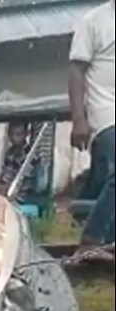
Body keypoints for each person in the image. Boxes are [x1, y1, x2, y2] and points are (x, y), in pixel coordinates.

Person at [67, 0, 114, 248]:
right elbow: (76, 70)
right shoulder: (94, 21)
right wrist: (78, 119)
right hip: (106, 115)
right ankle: (91, 239)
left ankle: (109, 241)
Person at [0, 121, 42, 200]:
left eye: (18, 135)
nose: (14, 138)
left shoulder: (30, 155)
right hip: (7, 191)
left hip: (21, 197)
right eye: (11, 134)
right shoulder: (10, 153)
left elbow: (23, 182)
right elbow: (5, 175)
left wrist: (2, 187)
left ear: (26, 134)